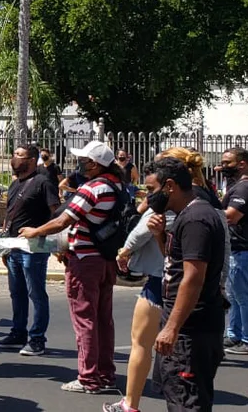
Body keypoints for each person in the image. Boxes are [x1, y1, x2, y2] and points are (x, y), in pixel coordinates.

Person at [103, 147, 211, 412]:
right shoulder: (206, 200)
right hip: (189, 289)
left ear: (169, 180)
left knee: (142, 344)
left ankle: (130, 404)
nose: (151, 193)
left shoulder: (180, 205)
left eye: (153, 185)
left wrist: (125, 251)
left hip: (165, 283)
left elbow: (146, 231)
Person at [19, 140, 122, 394]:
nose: (80, 164)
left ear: (95, 164)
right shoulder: (117, 186)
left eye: (84, 160)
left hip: (85, 260)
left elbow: (63, 221)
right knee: (102, 320)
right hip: (105, 258)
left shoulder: (93, 188)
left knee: (85, 319)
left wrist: (35, 231)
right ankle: (105, 374)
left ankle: (88, 377)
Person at [145, 158, 227, 412]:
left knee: (186, 402)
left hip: (191, 332)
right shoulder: (186, 216)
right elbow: (175, 266)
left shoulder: (195, 220)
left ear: (169, 186)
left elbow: (193, 278)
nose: (148, 198)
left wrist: (172, 328)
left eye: (151, 190)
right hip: (187, 330)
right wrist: (160, 237)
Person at [0, 143, 59, 357]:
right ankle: (17, 333)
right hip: (13, 247)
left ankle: (38, 338)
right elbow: (10, 214)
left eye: (19, 155)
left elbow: (56, 213)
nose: (14, 158)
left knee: (36, 293)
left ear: (32, 160)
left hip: (35, 247)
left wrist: (39, 231)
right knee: (17, 292)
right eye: (14, 154)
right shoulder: (15, 184)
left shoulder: (43, 182)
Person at [219, 146, 248, 355]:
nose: (223, 166)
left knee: (243, 296)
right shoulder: (236, 185)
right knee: (235, 295)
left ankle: (245, 338)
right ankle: (234, 334)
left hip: (242, 249)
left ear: (242, 164)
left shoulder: (243, 188)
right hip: (236, 249)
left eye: (227, 162)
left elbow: (231, 216)